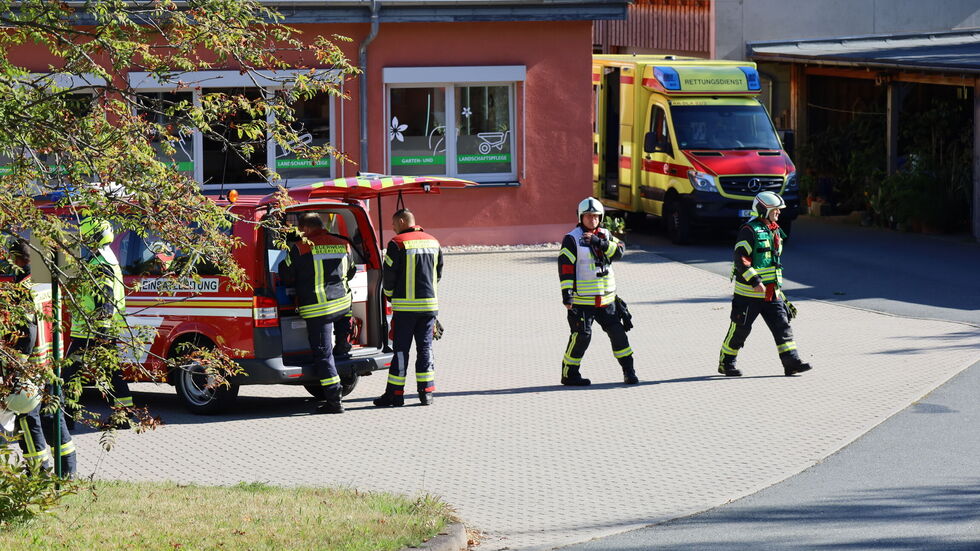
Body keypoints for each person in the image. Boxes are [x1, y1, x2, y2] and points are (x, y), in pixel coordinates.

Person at [1, 239, 76, 476]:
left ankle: (39, 471)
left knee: (27, 418)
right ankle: (67, 472)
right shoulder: (48, 282)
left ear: (16, 259)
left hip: (32, 367)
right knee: (55, 415)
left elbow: (28, 331)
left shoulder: (23, 288)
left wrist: (18, 365)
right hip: (53, 361)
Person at [717, 191, 812, 377]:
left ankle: (791, 362)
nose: (778, 213)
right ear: (763, 210)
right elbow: (740, 258)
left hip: (771, 293)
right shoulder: (749, 230)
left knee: (782, 327)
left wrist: (778, 291)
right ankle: (726, 363)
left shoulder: (774, 230)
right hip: (748, 294)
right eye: (774, 210)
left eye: (778, 210)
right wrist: (755, 280)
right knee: (740, 330)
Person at [278, 213, 356, 414]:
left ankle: (334, 400)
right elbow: (352, 271)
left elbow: (286, 276)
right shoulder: (343, 243)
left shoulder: (300, 247)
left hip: (319, 309)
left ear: (305, 229)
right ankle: (344, 349)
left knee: (323, 354)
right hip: (343, 305)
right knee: (337, 347)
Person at [558, 197, 637, 386]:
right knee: (582, 337)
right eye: (588, 216)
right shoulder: (572, 239)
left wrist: (600, 243)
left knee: (619, 335)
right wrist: (567, 294)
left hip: (607, 300)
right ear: (581, 217)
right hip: (582, 301)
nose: (592, 220)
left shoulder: (605, 235)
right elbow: (566, 267)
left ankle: (629, 371)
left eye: (595, 216)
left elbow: (620, 251)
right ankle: (569, 374)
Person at [64, 217, 133, 426]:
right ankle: (123, 416)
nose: (83, 242)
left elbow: (105, 301)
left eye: (85, 238)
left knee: (69, 373)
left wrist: (100, 333)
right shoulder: (107, 259)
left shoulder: (100, 265)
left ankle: (66, 419)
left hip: (91, 331)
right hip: (102, 330)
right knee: (112, 372)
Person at [373, 209, 442, 407]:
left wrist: (389, 295)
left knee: (401, 351)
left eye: (394, 224)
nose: (393, 228)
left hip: (405, 310)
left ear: (403, 221)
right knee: (426, 348)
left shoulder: (397, 243)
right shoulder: (433, 242)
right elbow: (438, 274)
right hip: (429, 308)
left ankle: (395, 394)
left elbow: (389, 277)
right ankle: (426, 393)